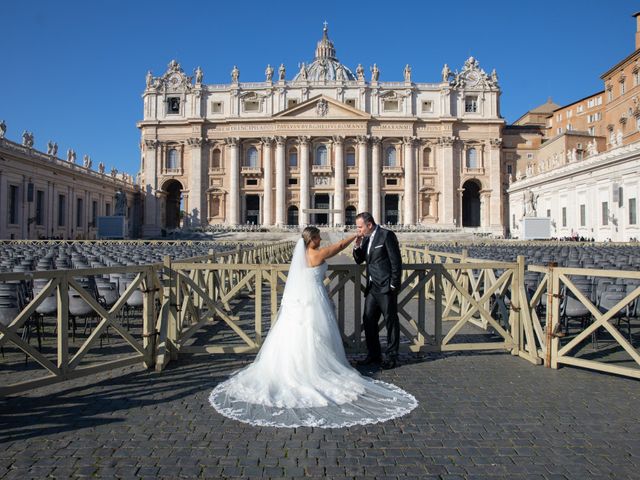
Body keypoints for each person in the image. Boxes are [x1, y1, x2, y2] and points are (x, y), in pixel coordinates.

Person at [209, 226, 417, 428]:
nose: (321, 240)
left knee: (298, 334)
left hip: (301, 300)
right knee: (316, 333)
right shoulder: (317, 254)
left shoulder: (302, 256)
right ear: (312, 240)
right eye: (318, 237)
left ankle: (298, 367)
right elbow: (336, 248)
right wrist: (354, 236)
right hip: (315, 300)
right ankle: (314, 368)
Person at [353, 212, 403, 369]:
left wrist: (394, 284)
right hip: (372, 286)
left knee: (390, 321)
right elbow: (359, 259)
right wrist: (357, 245)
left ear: (369, 225)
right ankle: (374, 354)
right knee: (368, 320)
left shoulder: (386, 235)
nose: (358, 230)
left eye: (360, 227)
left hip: (386, 286)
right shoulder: (366, 238)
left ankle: (392, 356)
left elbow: (396, 261)